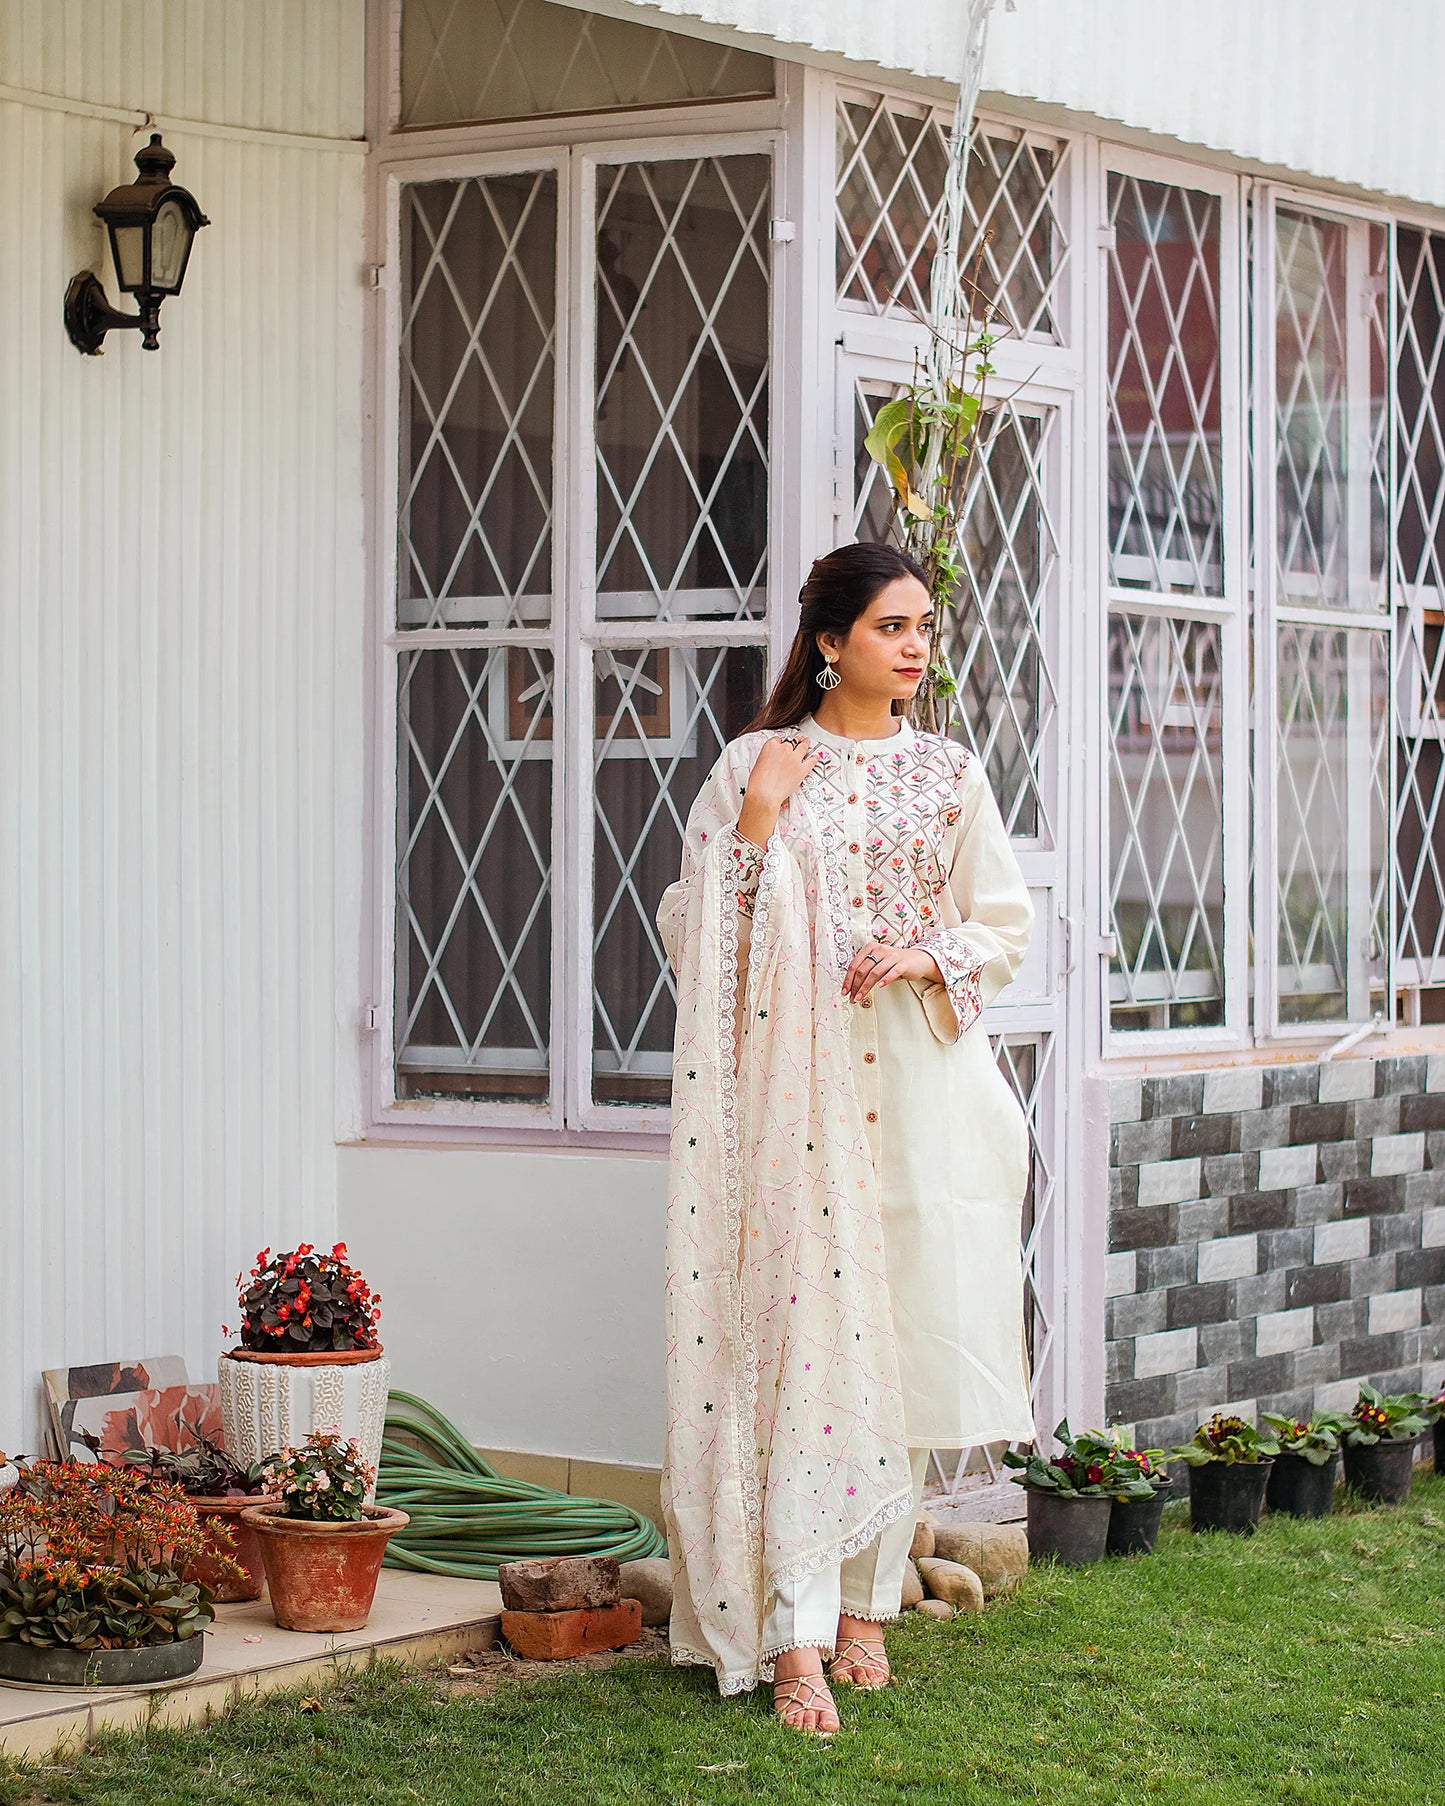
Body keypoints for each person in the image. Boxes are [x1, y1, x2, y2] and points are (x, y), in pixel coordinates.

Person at [656, 541, 1035, 1735]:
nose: (916, 646)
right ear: (829, 642)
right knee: (802, 1336)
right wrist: (759, 827)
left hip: (923, 1091)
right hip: (788, 1098)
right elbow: (692, 931)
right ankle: (792, 1632)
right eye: (891, 627)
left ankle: (868, 1601)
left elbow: (1002, 924)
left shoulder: (949, 774)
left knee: (905, 1342)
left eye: (925, 625)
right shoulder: (753, 767)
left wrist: (928, 953)